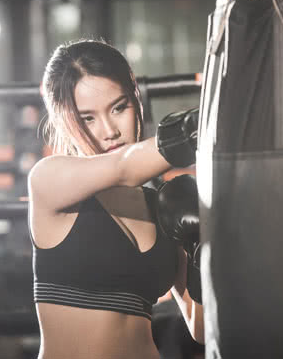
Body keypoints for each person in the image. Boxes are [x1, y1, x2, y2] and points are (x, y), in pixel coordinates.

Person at [27, 39, 203, 359]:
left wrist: (201, 251)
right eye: (87, 118)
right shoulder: (49, 180)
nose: (109, 130)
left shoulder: (161, 205)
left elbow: (199, 327)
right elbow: (124, 168)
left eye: (119, 107)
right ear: (64, 120)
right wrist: (202, 124)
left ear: (136, 98)